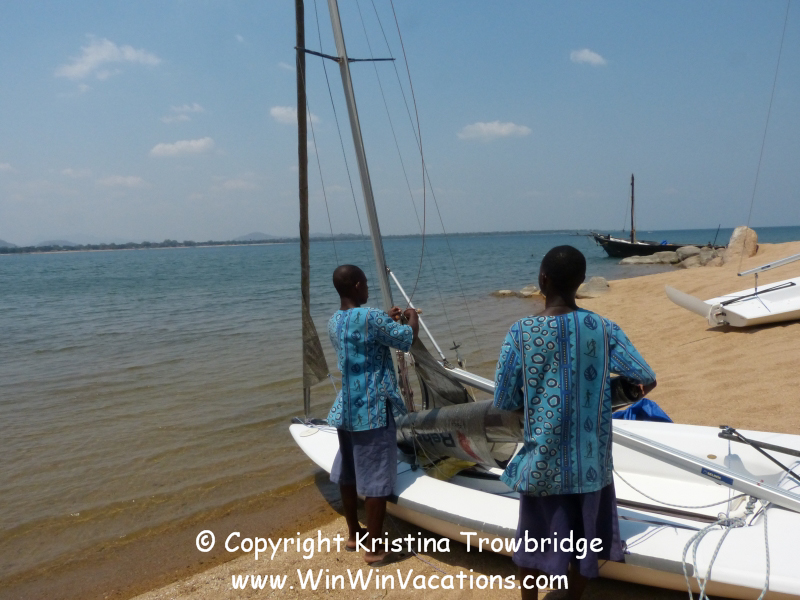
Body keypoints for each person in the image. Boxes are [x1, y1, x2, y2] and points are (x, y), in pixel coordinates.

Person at [493, 246, 656, 599]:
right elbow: (644, 376)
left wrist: (532, 399)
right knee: (584, 541)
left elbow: (504, 400)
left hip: (543, 462)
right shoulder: (602, 328)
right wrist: (602, 393)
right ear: (581, 281)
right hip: (590, 464)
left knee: (532, 544)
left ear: (542, 279)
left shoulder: (521, 332)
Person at [327, 264, 419, 566]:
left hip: (345, 407)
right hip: (372, 408)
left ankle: (355, 533)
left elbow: (362, 339)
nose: (368, 288)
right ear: (356, 285)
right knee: (377, 477)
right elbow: (406, 339)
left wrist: (385, 320)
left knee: (349, 472)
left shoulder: (334, 321)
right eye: (365, 283)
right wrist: (412, 319)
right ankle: (376, 549)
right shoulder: (371, 317)